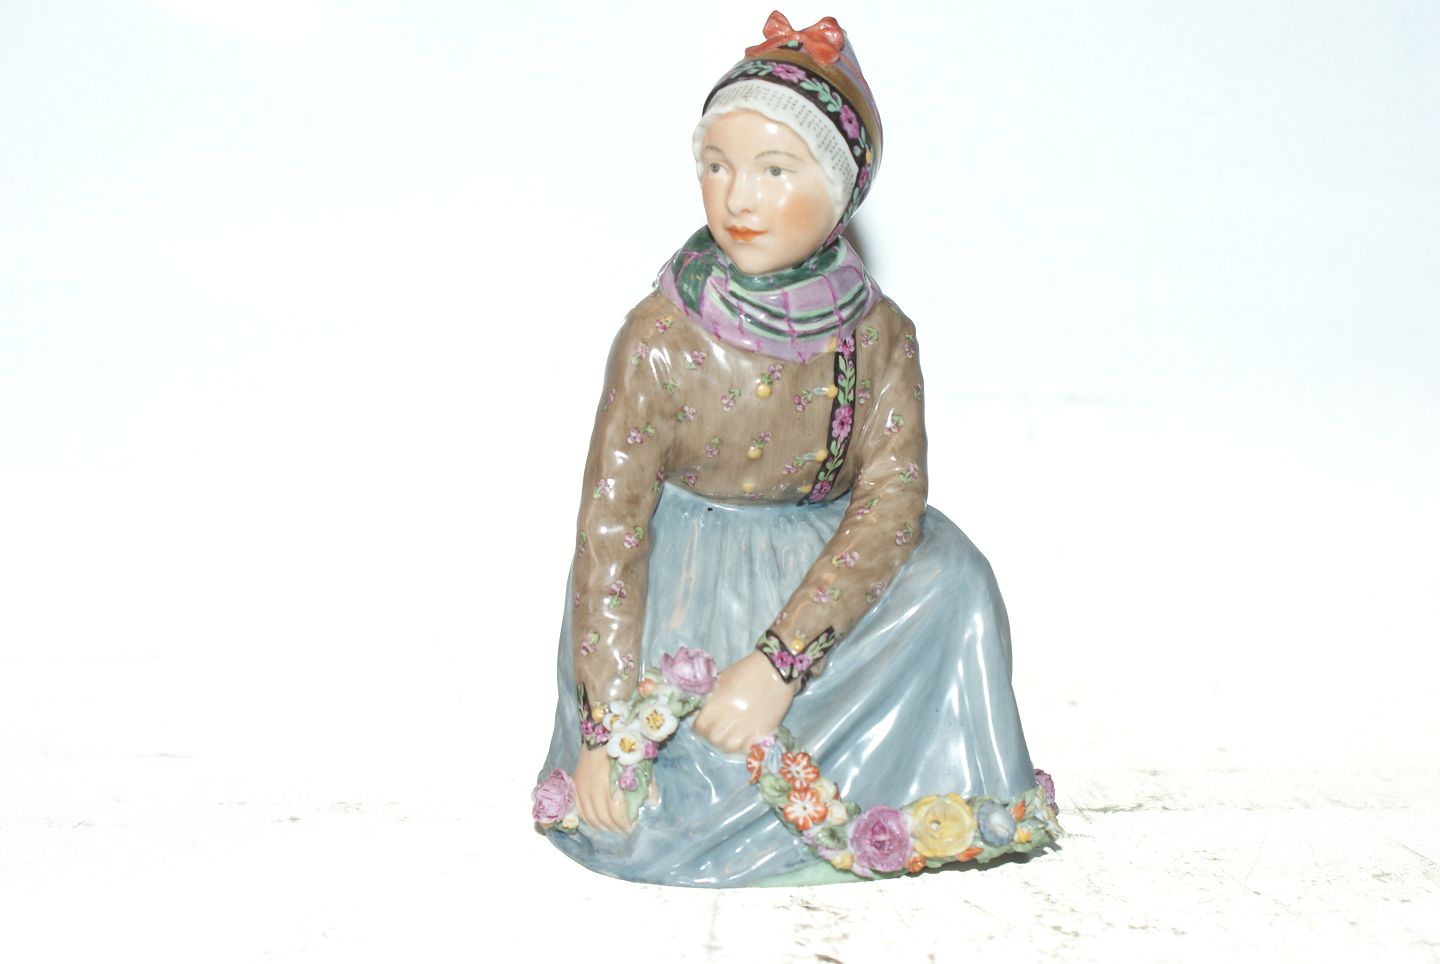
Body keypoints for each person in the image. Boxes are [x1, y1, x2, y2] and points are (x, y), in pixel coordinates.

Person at [533, 12, 1058, 886]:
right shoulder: (660, 337)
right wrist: (604, 732)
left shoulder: (878, 336)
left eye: (775, 170)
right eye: (716, 166)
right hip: (691, 579)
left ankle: (906, 795)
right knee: (657, 772)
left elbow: (891, 501)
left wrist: (781, 662)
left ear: (842, 189)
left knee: (957, 579)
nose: (738, 198)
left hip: (821, 578)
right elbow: (611, 531)